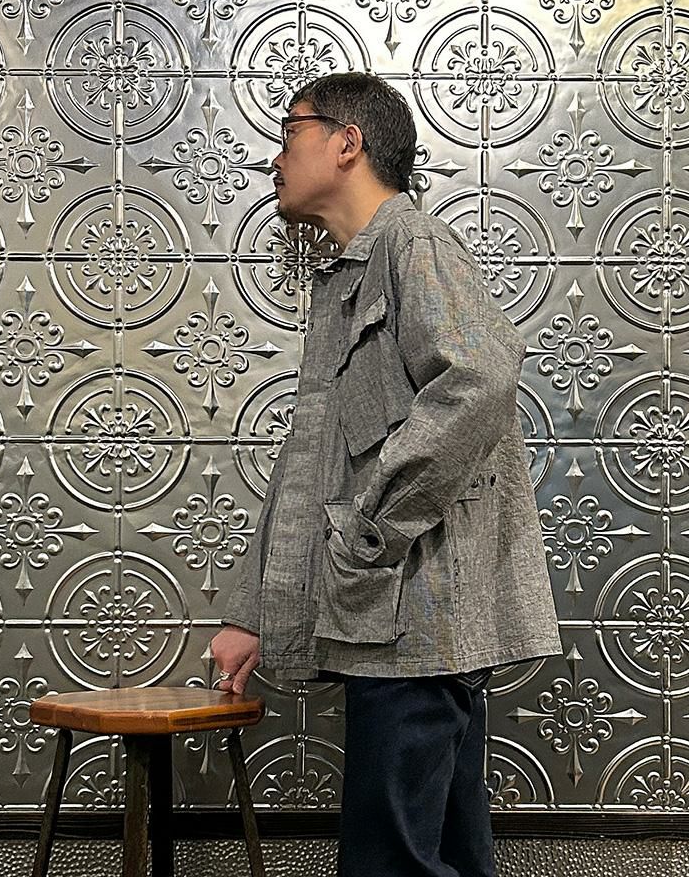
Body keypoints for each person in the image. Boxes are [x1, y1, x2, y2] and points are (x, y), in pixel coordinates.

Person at [209, 72, 560, 877]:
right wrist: (255, 613)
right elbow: (312, 466)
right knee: (440, 857)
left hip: (419, 626)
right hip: (394, 626)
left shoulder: (414, 244)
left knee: (390, 864)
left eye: (290, 131)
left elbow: (480, 378)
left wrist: (372, 528)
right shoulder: (349, 274)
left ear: (347, 142)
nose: (274, 157)